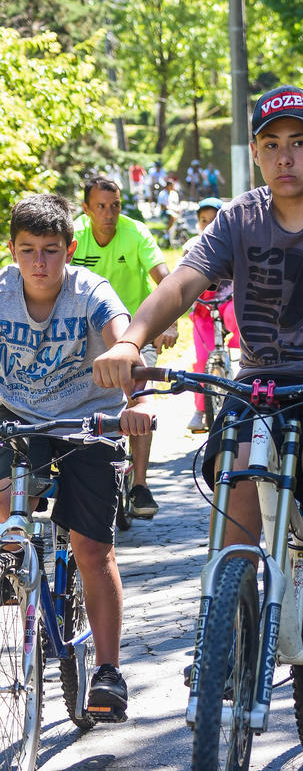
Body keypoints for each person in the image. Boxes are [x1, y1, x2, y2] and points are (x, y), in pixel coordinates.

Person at [93, 84, 303, 644]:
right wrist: (131, 341)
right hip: (263, 385)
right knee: (237, 476)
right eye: (271, 144)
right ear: (255, 152)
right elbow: (181, 285)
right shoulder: (239, 217)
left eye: (299, 143)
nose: (285, 156)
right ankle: (225, 632)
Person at [0, 194, 154, 719]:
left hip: (89, 422)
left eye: (50, 251)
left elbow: (122, 342)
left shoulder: (91, 291)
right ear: (13, 250)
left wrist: (133, 392)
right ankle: (14, 577)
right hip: (18, 420)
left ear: (70, 249)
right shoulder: (0, 292)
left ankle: (108, 671)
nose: (39, 264)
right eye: (27, 251)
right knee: (2, 511)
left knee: (91, 548)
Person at [72, 177, 178, 518]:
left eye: (115, 206)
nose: (109, 214)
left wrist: (170, 321)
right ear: (86, 209)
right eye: (101, 207)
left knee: (139, 397)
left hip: (135, 333)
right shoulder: (74, 236)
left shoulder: (136, 233)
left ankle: (140, 485)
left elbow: (165, 278)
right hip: (84, 338)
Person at [182, 197, 240, 432]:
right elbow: (182, 278)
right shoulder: (192, 246)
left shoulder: (235, 243)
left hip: (228, 300)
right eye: (204, 221)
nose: (209, 224)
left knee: (237, 316)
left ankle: (243, 361)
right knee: (202, 359)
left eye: (214, 219)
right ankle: (200, 409)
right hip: (203, 307)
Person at [157, 177, 180, 247]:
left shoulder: (174, 194)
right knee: (172, 216)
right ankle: (167, 231)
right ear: (167, 186)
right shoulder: (162, 194)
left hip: (174, 212)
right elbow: (162, 207)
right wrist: (171, 208)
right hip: (164, 213)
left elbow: (176, 204)